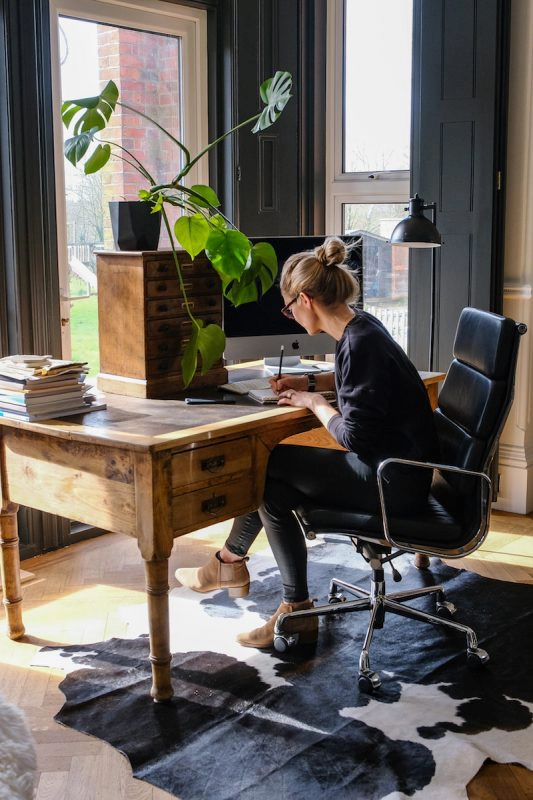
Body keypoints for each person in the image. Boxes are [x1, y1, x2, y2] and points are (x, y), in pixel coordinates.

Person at [176, 236, 439, 649]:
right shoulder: (363, 327)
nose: (291, 317)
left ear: (304, 299)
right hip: (404, 472)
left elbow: (354, 437)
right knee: (274, 472)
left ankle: (268, 591)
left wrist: (315, 402)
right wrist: (308, 383)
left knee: (270, 469)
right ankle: (245, 574)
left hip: (393, 484)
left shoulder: (359, 343)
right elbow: (358, 383)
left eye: (289, 307)